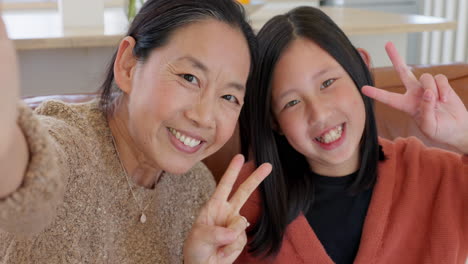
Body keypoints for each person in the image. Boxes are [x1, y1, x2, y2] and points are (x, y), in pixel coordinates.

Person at [0, 0, 272, 263]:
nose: (204, 117)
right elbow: (32, 164)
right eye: (189, 78)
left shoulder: (197, 189)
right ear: (128, 65)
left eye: (229, 97)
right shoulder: (71, 147)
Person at [235, 6, 468, 264]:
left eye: (327, 83)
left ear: (361, 67)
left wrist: (463, 136)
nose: (320, 114)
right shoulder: (247, 197)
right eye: (292, 102)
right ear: (274, 121)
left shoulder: (437, 175)